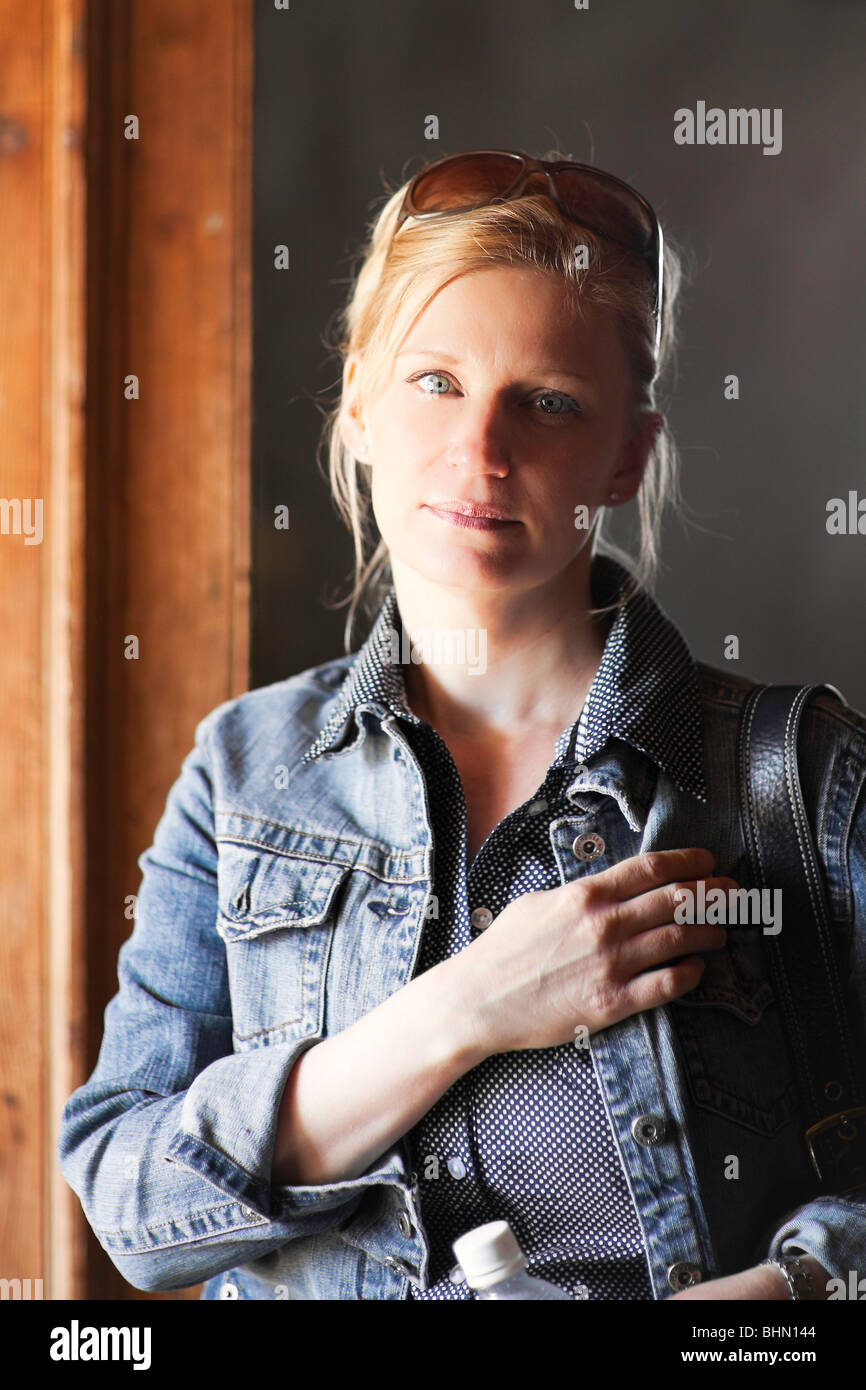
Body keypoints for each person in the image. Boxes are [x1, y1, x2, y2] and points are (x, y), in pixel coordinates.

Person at [58, 147, 866, 1301]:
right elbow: (133, 1210)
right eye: (434, 381)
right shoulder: (245, 772)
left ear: (627, 453)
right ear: (357, 403)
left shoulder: (804, 777)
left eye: (545, 403)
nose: (480, 454)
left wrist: (758, 1309)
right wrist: (467, 1006)